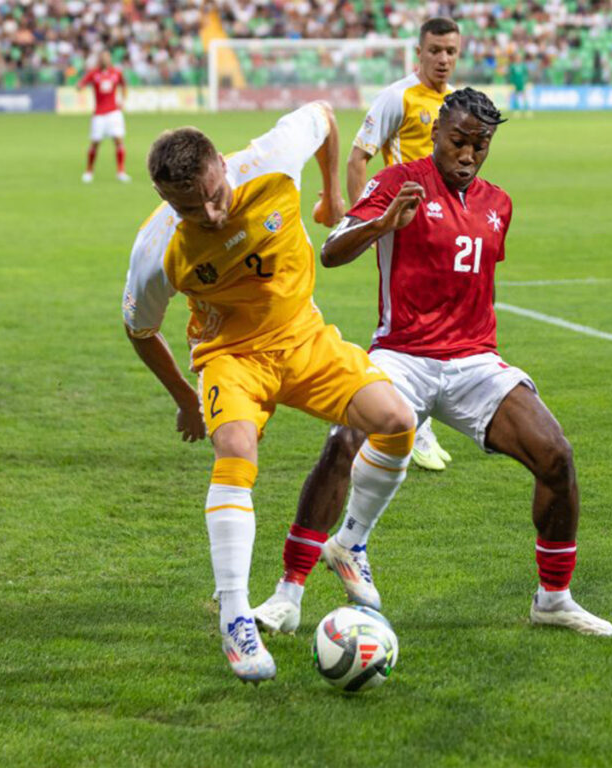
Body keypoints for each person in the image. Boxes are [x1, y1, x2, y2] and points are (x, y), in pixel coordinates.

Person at [253, 89, 612, 638]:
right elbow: (332, 250)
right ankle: (288, 594)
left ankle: (554, 599)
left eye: (480, 145)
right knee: (342, 441)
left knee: (556, 456)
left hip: (475, 362)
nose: (468, 154)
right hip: (402, 353)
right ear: (435, 135)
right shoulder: (399, 182)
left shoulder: (499, 203)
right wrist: (383, 225)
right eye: (458, 141)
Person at [122, 102, 417, 683]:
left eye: (212, 193)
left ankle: (350, 543)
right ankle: (236, 618)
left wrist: (333, 197)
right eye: (188, 207)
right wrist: (186, 398)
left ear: (220, 165)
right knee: (236, 448)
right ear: (166, 201)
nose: (208, 212)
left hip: (303, 337)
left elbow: (327, 116)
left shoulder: (273, 161)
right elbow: (139, 329)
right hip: (230, 357)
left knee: (396, 419)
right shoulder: (157, 249)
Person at [348, 15, 461, 472]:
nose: (443, 59)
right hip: (404, 225)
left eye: (451, 51)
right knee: (402, 326)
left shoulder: (455, 102)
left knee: (442, 319)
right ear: (419, 52)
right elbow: (360, 155)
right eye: (434, 50)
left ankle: (416, 418)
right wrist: (364, 218)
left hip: (446, 225)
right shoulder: (397, 97)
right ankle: (407, 423)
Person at [78, 51, 129, 183]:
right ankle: (89, 171)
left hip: (114, 112)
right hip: (99, 114)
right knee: (95, 143)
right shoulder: (94, 73)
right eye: (102, 57)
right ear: (99, 60)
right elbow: (81, 84)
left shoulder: (116, 73)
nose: (104, 59)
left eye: (106, 57)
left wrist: (123, 100)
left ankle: (121, 172)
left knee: (119, 141)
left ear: (110, 59)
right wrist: (80, 86)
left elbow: (124, 85)